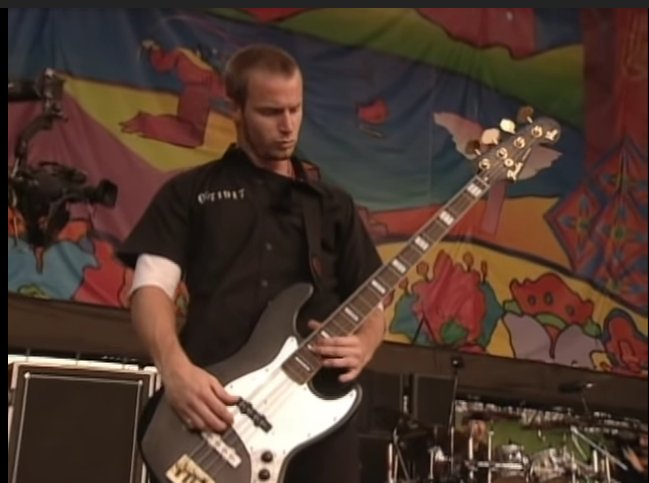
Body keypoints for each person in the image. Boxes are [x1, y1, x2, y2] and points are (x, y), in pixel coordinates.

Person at [117, 43, 387, 483]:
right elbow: (149, 288)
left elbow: (374, 299)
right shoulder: (190, 192)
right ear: (235, 108)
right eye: (270, 112)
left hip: (317, 417)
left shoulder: (332, 204)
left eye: (295, 109)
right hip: (215, 412)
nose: (287, 126)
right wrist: (175, 370)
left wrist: (366, 343)